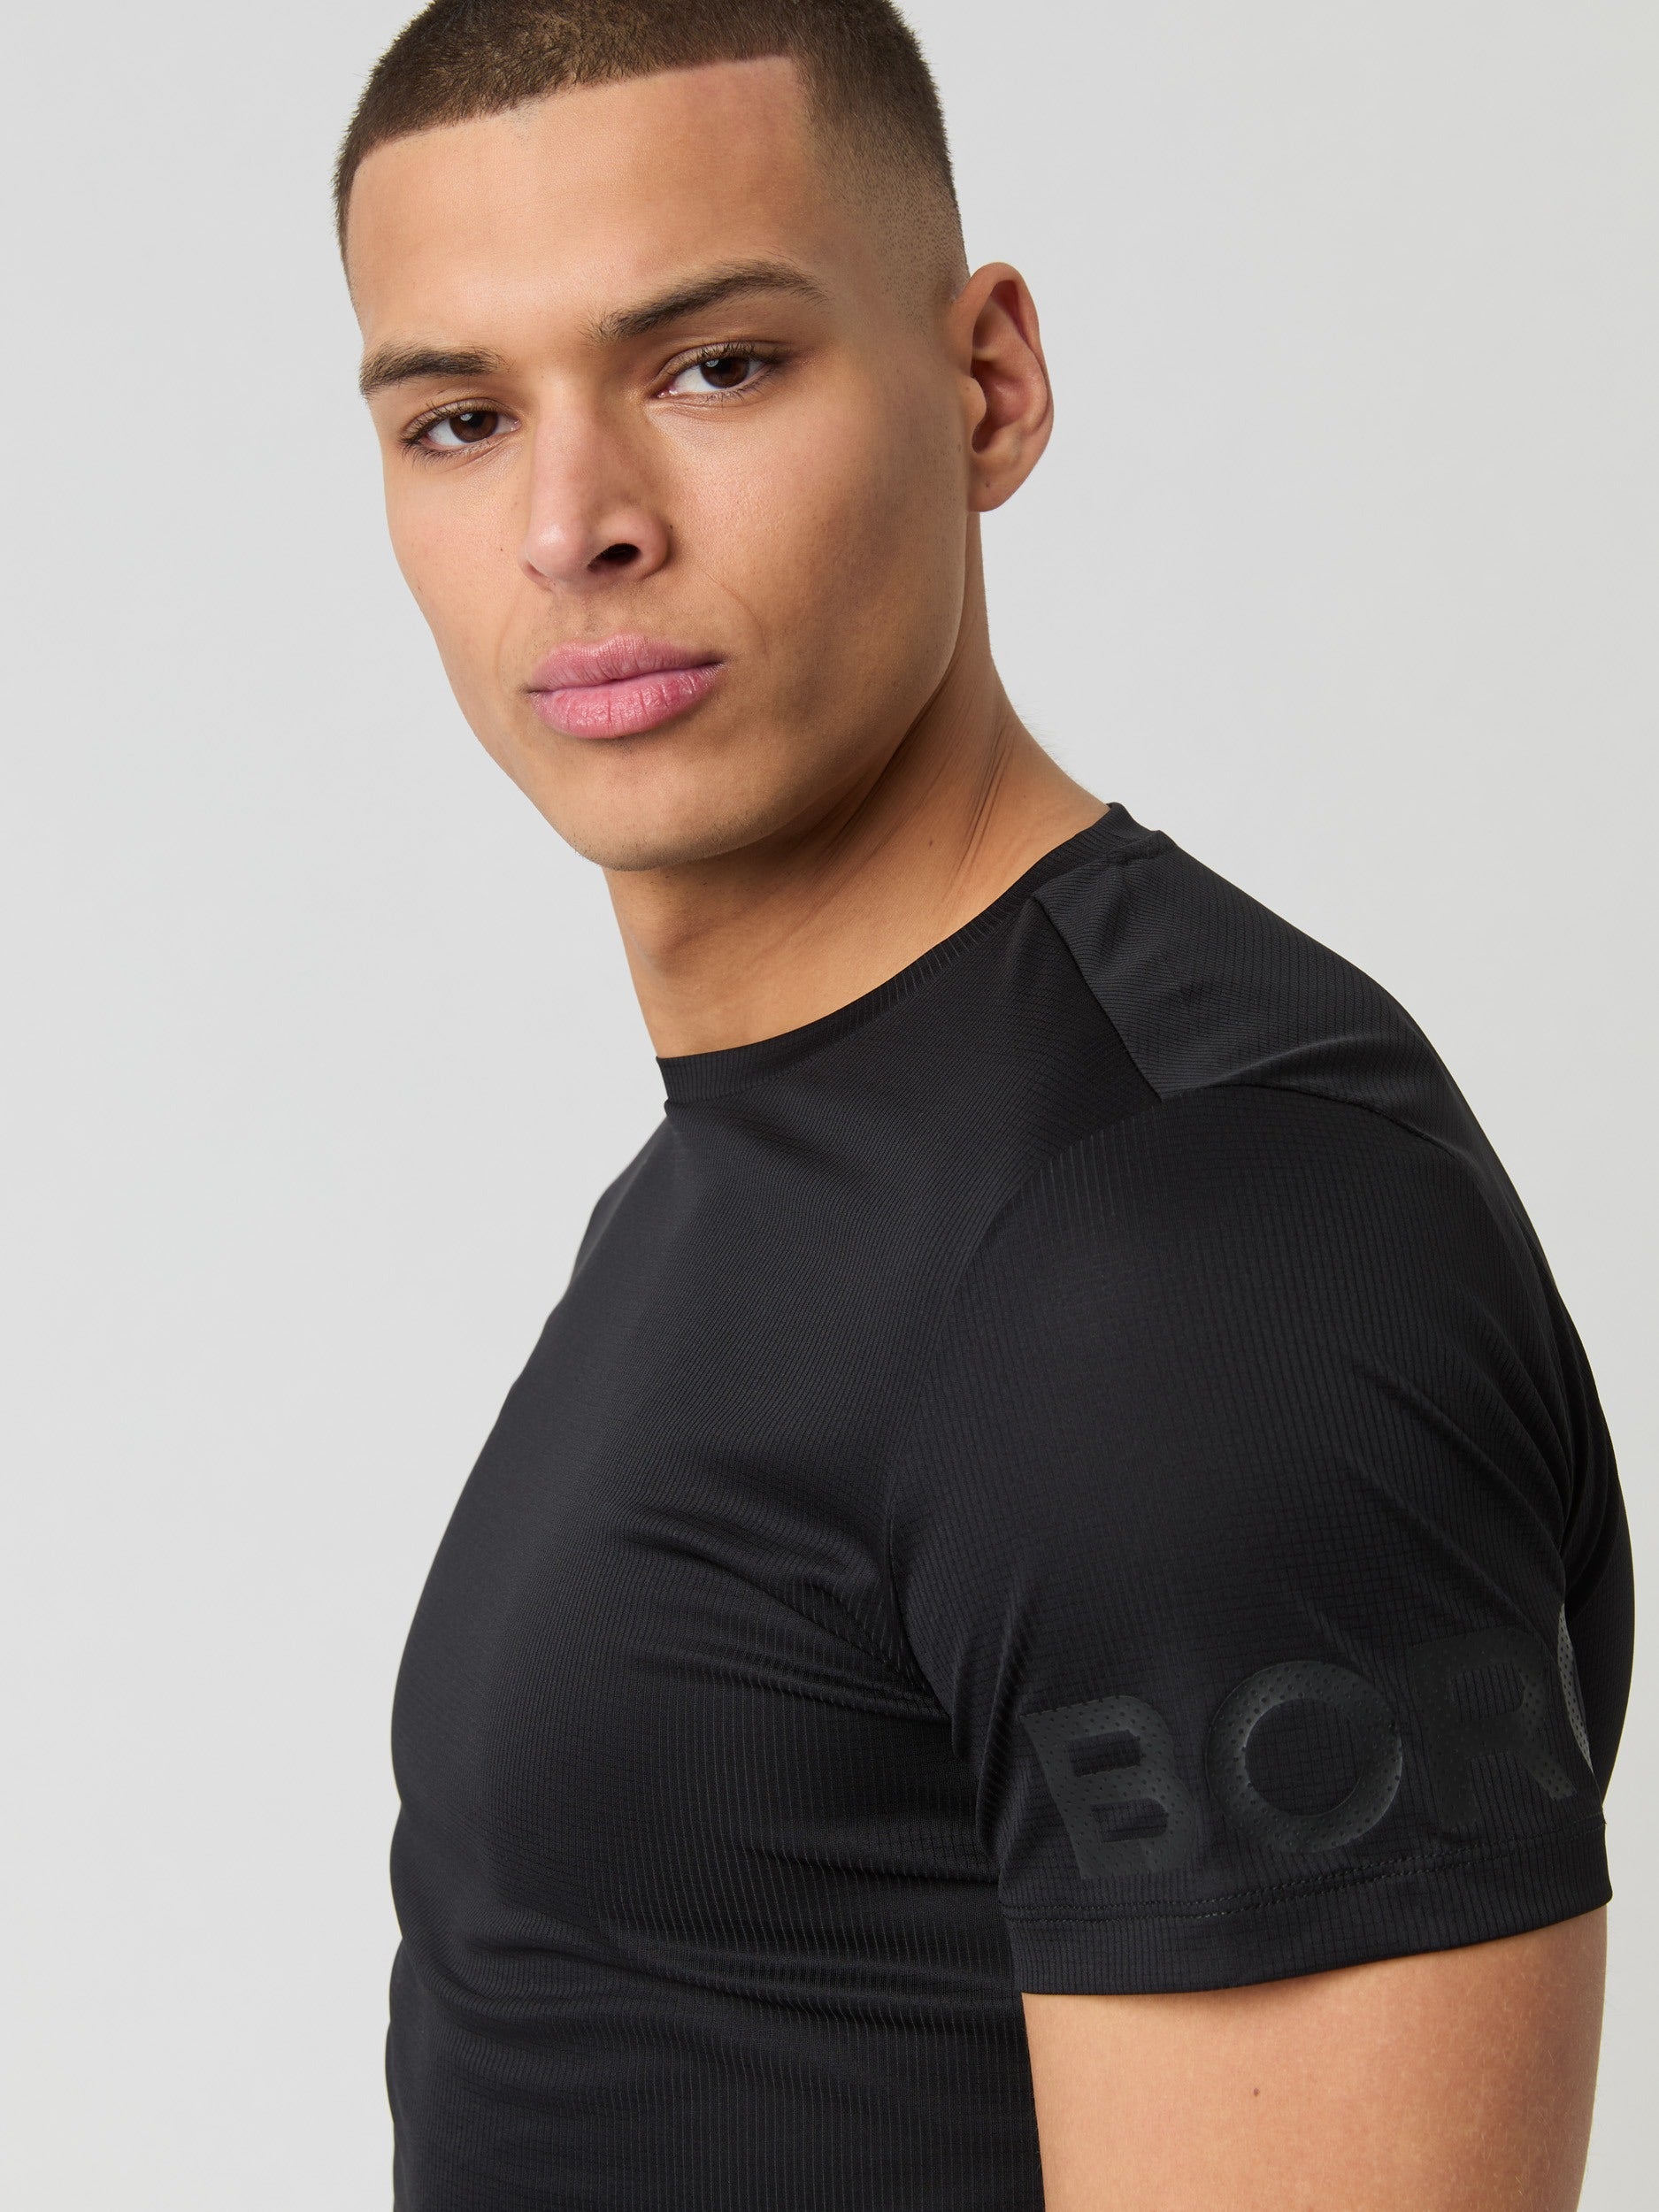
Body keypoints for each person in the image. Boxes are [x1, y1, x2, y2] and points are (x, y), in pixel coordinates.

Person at [334, 4, 1633, 2205]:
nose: (573, 525)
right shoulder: (769, 1163)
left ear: (987, 385)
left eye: (711, 366)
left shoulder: (1189, 1257)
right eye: (460, 418)